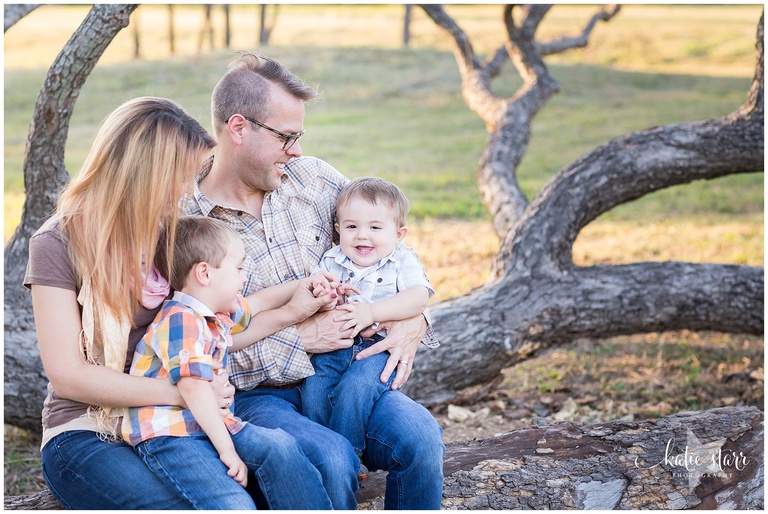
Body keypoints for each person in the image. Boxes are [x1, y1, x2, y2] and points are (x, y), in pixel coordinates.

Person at [23, 97, 327, 510]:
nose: (188, 188)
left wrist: (290, 311)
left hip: (170, 423)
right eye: (181, 176)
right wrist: (183, 392)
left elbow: (203, 329)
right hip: (87, 429)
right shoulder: (58, 243)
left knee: (279, 470)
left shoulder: (168, 235)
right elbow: (68, 375)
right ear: (143, 174)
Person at [182, 51, 445, 510]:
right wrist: (301, 339)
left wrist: (415, 318)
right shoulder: (187, 223)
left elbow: (389, 247)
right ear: (239, 129)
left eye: (299, 137)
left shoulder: (314, 180)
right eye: (287, 137)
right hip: (257, 397)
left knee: (421, 436)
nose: (297, 150)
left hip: (345, 373)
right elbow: (196, 345)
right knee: (330, 456)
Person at [122, 215, 341, 509]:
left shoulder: (214, 313)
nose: (244, 278)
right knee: (235, 505)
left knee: (280, 447)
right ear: (204, 273)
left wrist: (305, 284)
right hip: (171, 435)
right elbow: (194, 390)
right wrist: (227, 450)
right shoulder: (180, 321)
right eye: (238, 269)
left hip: (207, 424)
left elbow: (260, 302)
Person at [301, 177, 435, 480]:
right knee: (315, 389)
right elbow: (315, 299)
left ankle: (350, 457)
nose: (362, 236)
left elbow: (419, 297)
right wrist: (327, 297)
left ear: (398, 233)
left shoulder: (402, 259)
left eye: (375, 228)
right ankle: (322, 453)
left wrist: (370, 312)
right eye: (351, 227)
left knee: (355, 389)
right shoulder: (331, 260)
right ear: (337, 229)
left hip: (378, 346)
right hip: (334, 345)